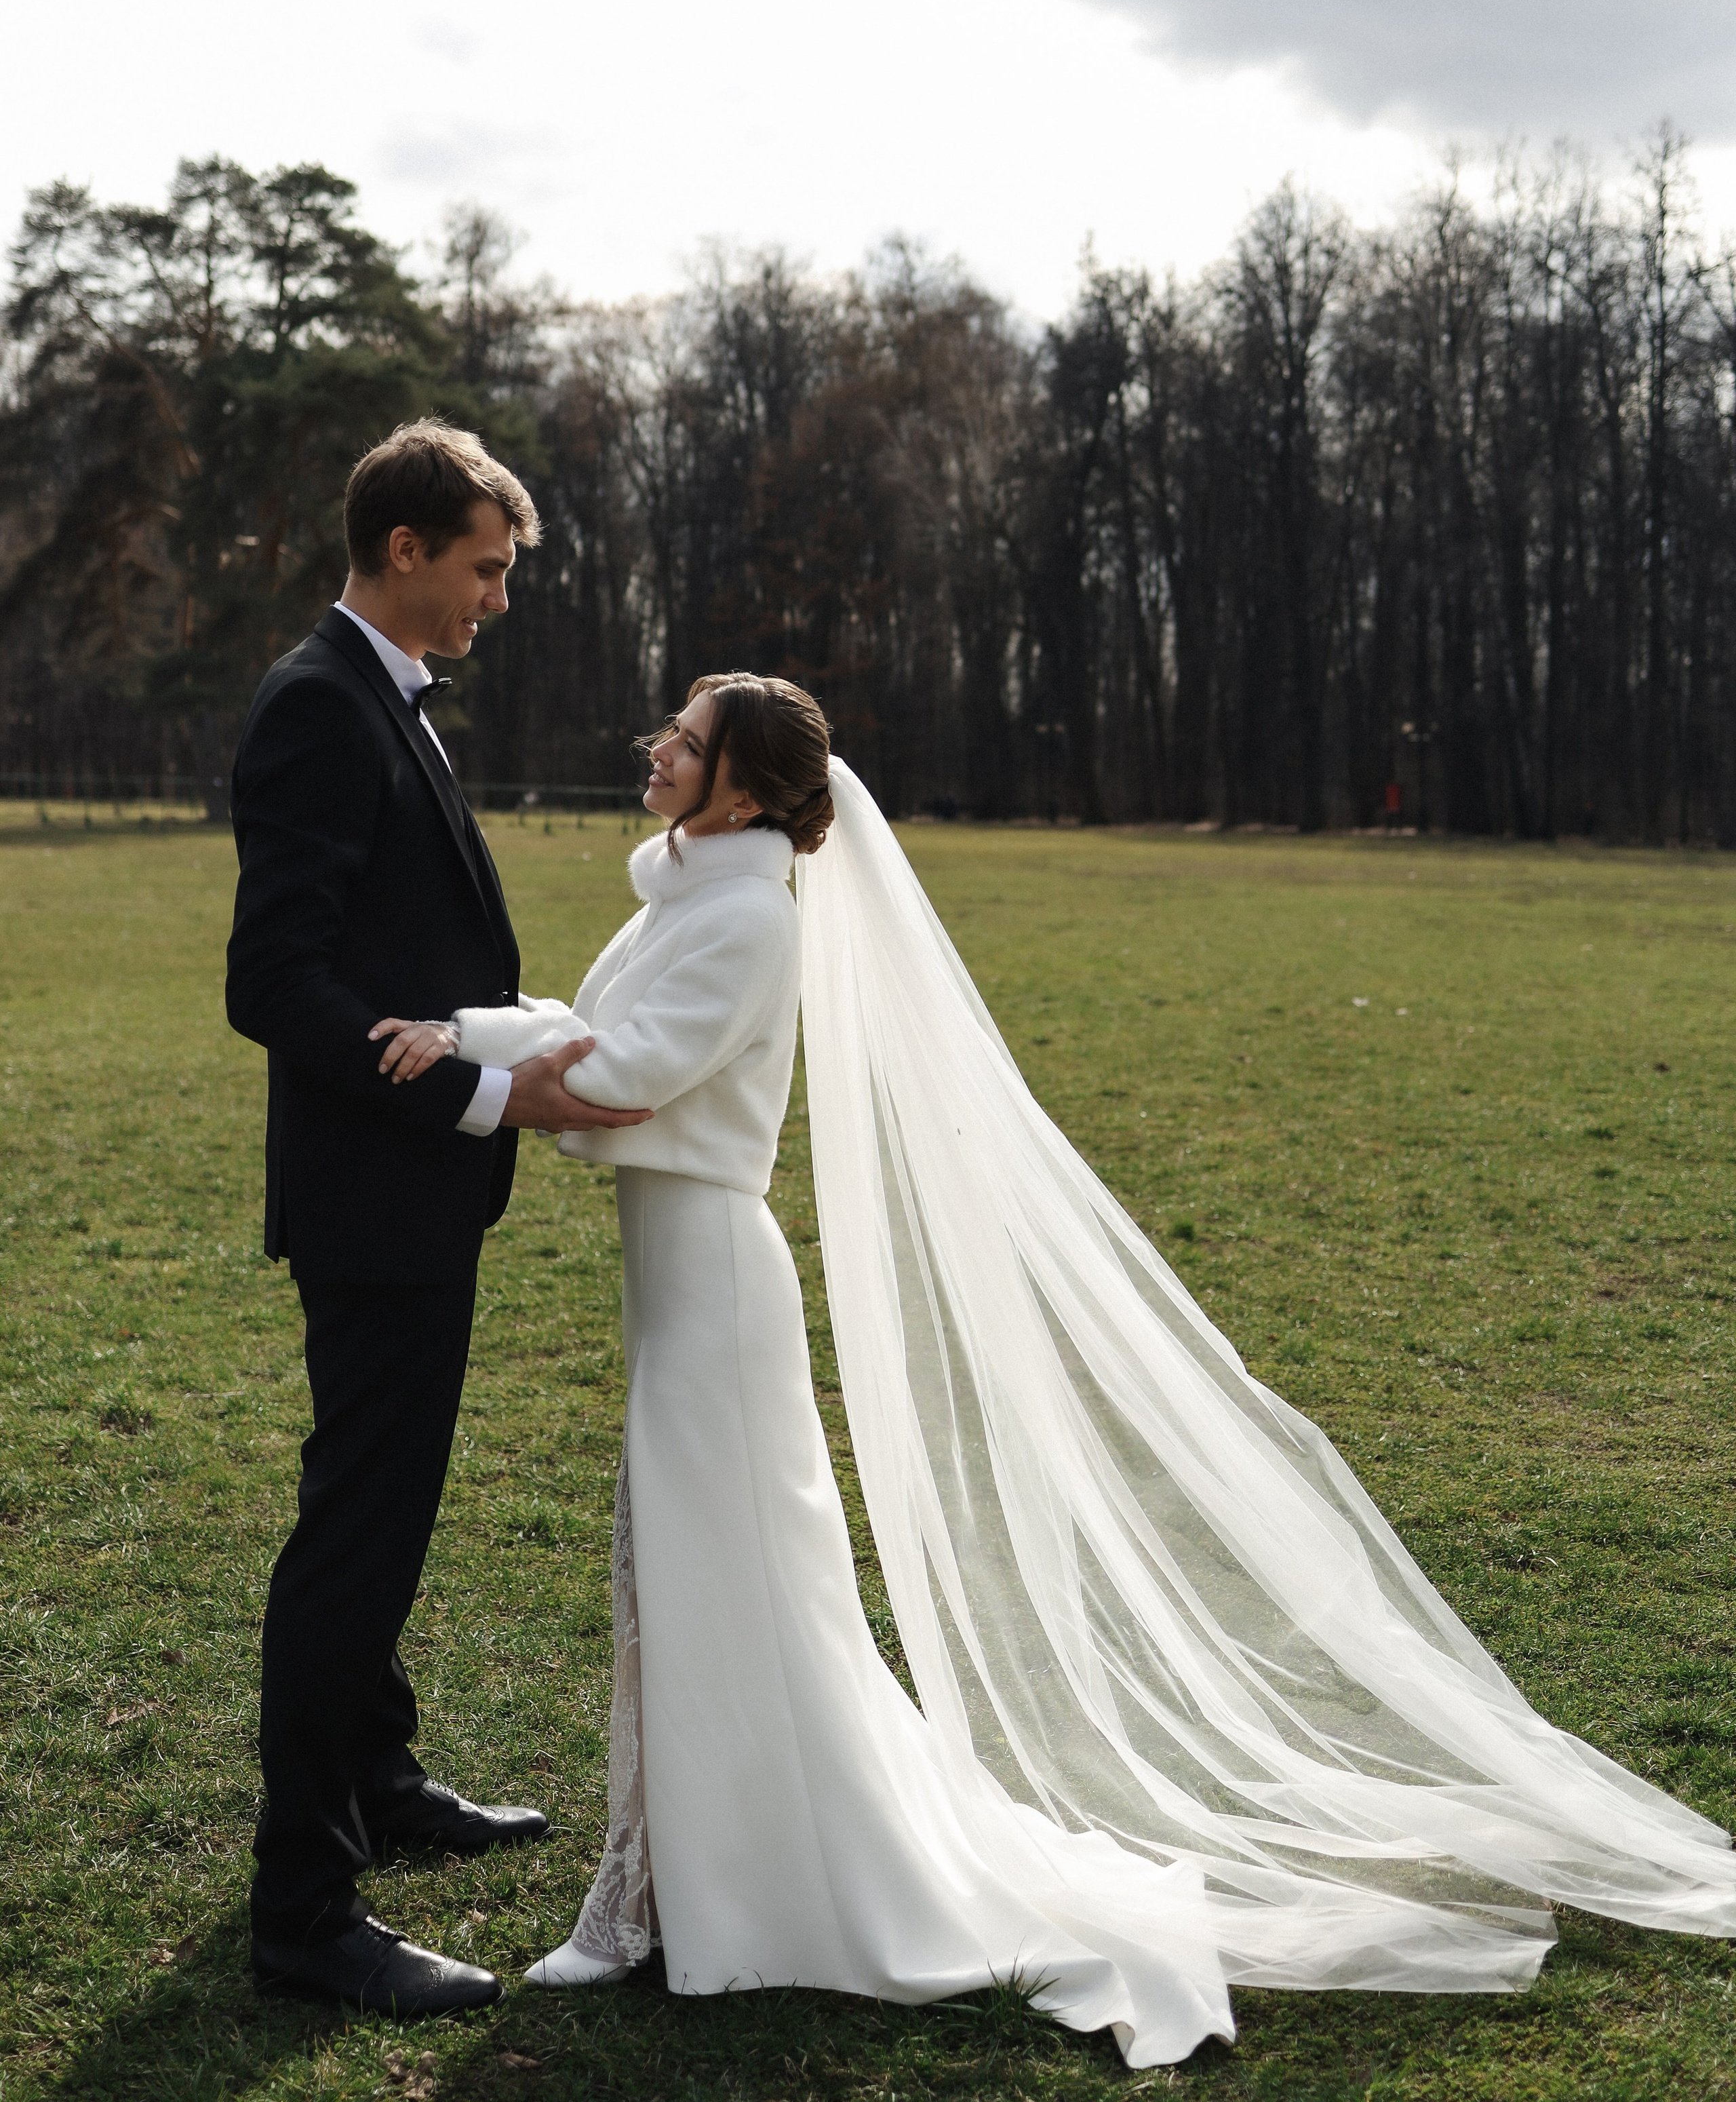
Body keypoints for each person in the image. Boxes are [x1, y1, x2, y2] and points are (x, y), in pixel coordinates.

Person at [375, 670, 1736, 2068]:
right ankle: (679, 1879)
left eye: (686, 739)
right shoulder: (689, 897)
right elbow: (582, 1030)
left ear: (739, 789)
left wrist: (463, 1085)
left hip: (715, 1295)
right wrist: (466, 1034)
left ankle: (675, 1899)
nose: (654, 747)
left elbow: (628, 1078)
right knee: (697, 1586)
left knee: (711, 1591)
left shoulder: (739, 920)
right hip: (681, 1286)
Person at [225, 419, 650, 2021]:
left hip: (408, 1192)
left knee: (383, 1513)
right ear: (402, 548)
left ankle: (383, 1784)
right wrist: (483, 1097)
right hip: (373, 1192)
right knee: (357, 1532)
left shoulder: (380, 697)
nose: (495, 599)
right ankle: (304, 1909)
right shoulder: (322, 709)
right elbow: (275, 983)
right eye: (482, 568)